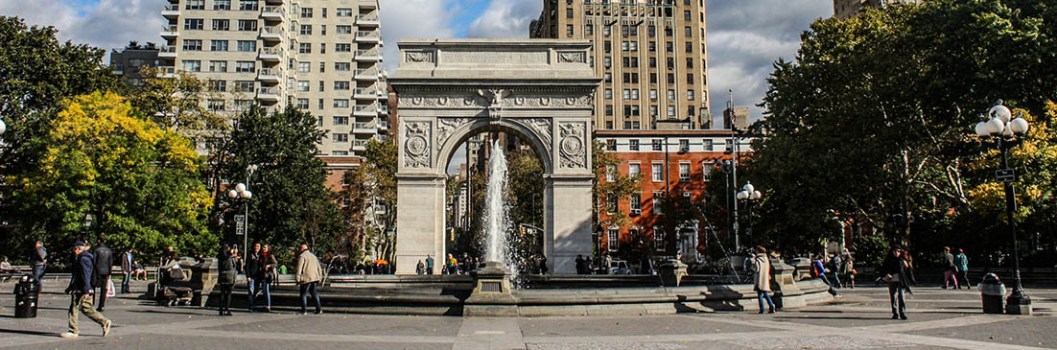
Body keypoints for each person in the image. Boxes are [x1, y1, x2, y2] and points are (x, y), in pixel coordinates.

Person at [61, 240, 111, 339]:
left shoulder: (83, 259)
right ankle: (104, 321)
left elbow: (85, 274)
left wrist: (86, 289)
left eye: (75, 249)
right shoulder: (86, 257)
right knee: (86, 308)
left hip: (81, 288)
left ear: (79, 249)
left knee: (74, 308)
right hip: (82, 287)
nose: (73, 251)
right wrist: (70, 287)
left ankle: (73, 330)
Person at [881, 247, 912, 320]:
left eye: (898, 251)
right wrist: (887, 274)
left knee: (901, 296)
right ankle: (895, 312)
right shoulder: (889, 260)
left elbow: (907, 271)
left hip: (901, 280)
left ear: (900, 252)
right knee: (893, 296)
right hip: (892, 280)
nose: (896, 253)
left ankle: (902, 312)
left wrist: (907, 266)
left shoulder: (902, 260)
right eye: (895, 251)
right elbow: (884, 269)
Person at [296, 244, 323, 315]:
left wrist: (298, 278)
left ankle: (304, 310)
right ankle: (319, 309)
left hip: (306, 278)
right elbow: (319, 267)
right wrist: (320, 276)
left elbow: (299, 268)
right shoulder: (314, 256)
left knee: (303, 293)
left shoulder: (302, 256)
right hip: (314, 277)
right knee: (314, 293)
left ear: (302, 249)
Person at [92, 236, 113, 312]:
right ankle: (101, 305)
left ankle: (92, 303)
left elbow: (94, 261)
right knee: (103, 290)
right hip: (106, 271)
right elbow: (110, 263)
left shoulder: (96, 250)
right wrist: (109, 273)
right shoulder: (109, 251)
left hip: (97, 271)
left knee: (93, 287)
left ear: (98, 241)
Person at [753, 246, 776, 314]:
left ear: (759, 251)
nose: (755, 251)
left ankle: (762, 309)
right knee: (765, 293)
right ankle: (771, 306)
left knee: (760, 294)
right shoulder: (766, 258)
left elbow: (757, 269)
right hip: (765, 278)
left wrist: (753, 264)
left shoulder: (758, 259)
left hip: (759, 278)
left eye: (756, 250)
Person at [216, 243, 236, 316]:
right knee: (229, 293)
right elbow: (234, 264)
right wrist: (233, 254)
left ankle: (220, 309)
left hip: (222, 275)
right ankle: (226, 309)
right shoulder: (230, 257)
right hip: (229, 276)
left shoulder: (220, 256)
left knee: (222, 293)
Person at [257, 244, 277, 312]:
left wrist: (269, 266)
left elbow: (275, 263)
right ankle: (264, 305)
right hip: (262, 275)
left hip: (267, 275)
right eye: (263, 247)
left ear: (268, 248)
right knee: (264, 290)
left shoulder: (270, 256)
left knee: (266, 290)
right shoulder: (261, 255)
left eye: (265, 247)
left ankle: (268, 305)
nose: (263, 248)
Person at [245, 243, 261, 311]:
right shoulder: (250, 255)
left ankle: (254, 305)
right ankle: (250, 306)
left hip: (258, 276)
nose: (256, 247)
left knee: (256, 292)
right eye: (255, 246)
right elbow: (247, 266)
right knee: (251, 291)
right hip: (251, 276)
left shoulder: (261, 255)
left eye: (258, 246)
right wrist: (248, 276)